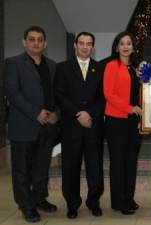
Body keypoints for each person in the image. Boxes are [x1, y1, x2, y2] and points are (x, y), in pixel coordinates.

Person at [5, 26, 58, 222]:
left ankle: (39, 199)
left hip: (47, 127)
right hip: (24, 126)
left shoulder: (52, 65)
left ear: (45, 43)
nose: (36, 43)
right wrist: (36, 114)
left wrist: (56, 115)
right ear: (24, 42)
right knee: (21, 170)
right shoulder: (13, 63)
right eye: (32, 39)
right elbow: (12, 93)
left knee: (41, 168)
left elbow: (57, 95)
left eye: (40, 39)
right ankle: (26, 206)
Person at [55, 32, 105, 219]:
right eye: (81, 43)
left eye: (89, 44)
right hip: (71, 126)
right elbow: (59, 94)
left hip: (93, 126)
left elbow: (103, 96)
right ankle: (72, 204)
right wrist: (78, 113)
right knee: (70, 167)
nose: (85, 47)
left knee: (95, 167)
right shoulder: (63, 68)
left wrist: (89, 113)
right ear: (75, 45)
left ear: (93, 47)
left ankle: (94, 202)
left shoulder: (100, 68)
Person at [103, 31, 142, 215]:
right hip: (116, 121)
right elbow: (108, 94)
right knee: (118, 162)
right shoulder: (112, 66)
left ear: (133, 46)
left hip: (134, 122)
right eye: (122, 43)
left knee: (131, 161)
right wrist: (130, 108)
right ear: (116, 47)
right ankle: (119, 202)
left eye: (129, 43)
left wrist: (143, 115)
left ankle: (129, 198)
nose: (126, 46)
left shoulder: (136, 68)